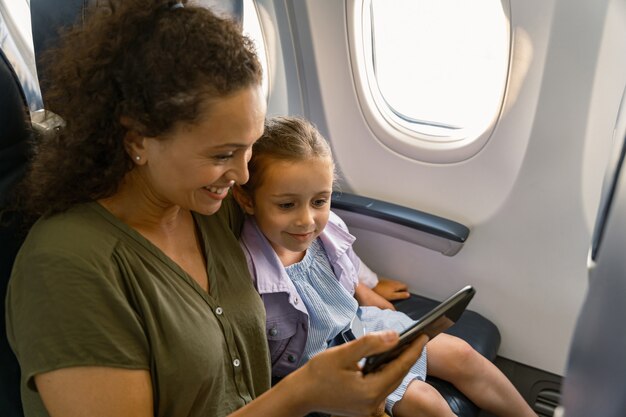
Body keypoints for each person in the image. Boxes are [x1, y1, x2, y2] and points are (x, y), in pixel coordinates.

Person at [4, 2, 428, 416]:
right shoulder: (67, 270)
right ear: (137, 140)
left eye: (249, 148)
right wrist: (302, 393)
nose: (243, 175)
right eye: (223, 154)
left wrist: (361, 283)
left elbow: (301, 232)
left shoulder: (213, 210)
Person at [233, 116, 538, 417]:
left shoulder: (325, 232)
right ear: (247, 200)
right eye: (287, 205)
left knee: (462, 354)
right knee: (425, 401)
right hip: (324, 365)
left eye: (319, 201)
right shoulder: (248, 270)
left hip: (360, 327)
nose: (307, 220)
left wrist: (370, 287)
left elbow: (348, 266)